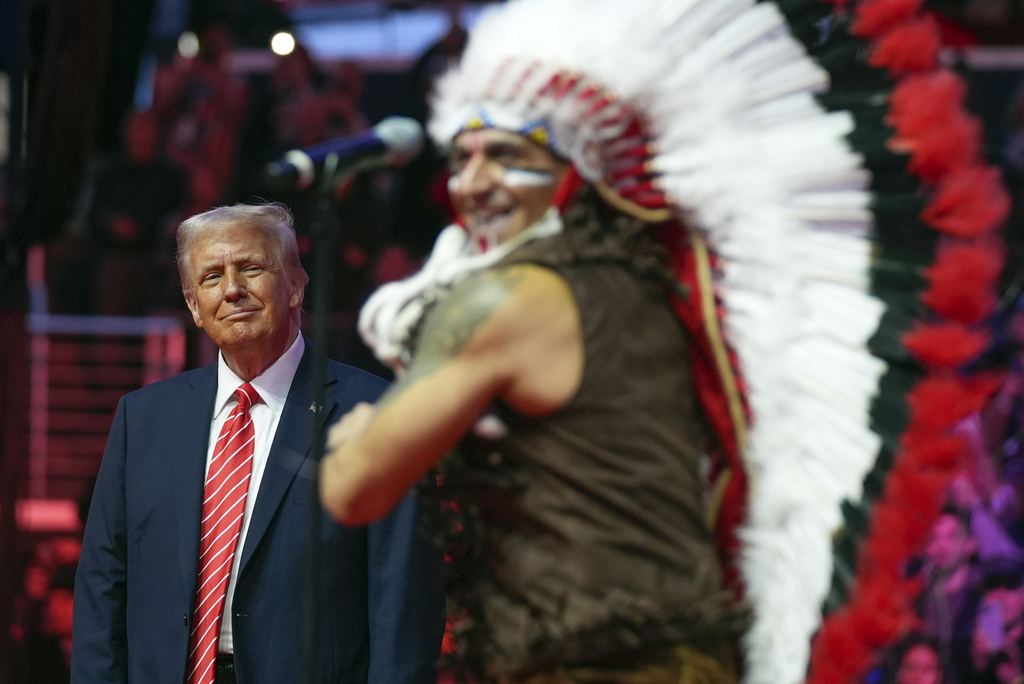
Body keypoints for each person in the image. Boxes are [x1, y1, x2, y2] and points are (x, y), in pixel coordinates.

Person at [72, 203, 445, 684]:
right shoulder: (142, 419)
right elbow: (104, 583)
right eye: (211, 277)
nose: (232, 289)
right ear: (192, 306)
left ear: (296, 285)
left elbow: (406, 600)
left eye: (251, 268)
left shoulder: (379, 416)